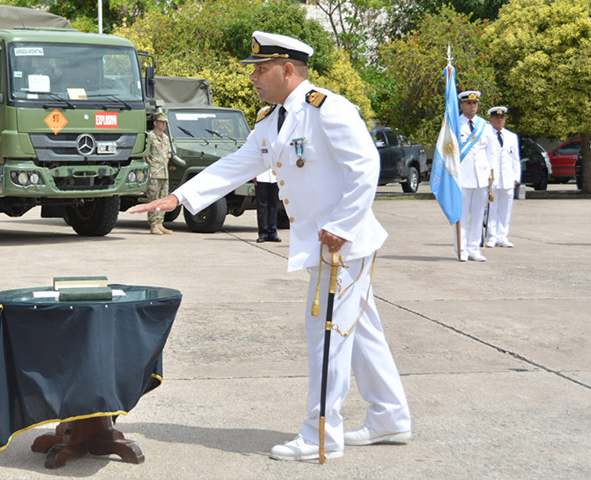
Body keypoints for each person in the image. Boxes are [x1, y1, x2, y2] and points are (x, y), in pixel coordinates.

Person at [129, 31, 411, 461]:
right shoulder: (272, 119)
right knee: (361, 330)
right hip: (326, 244)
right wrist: (179, 198)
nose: (253, 77)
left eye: (261, 69)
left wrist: (343, 226)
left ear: (288, 69)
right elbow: (239, 163)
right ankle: (390, 417)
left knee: (328, 335)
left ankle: (322, 435)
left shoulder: (327, 109)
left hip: (340, 245)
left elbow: (365, 166)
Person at [456, 90, 497, 262]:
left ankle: (474, 248)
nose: (473, 106)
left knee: (478, 214)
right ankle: (461, 248)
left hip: (481, 176)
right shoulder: (454, 124)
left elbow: (491, 153)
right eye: (469, 103)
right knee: (462, 215)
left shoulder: (485, 126)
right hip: (462, 176)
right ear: (462, 105)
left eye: (475, 103)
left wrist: (492, 176)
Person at [484, 106, 520, 248]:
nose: (499, 120)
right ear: (491, 119)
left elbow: (515, 159)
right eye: (496, 118)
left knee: (506, 208)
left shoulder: (511, 136)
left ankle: (503, 236)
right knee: (492, 207)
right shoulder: (486, 135)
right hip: (492, 178)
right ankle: (492, 236)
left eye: (502, 118)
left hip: (508, 177)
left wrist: (516, 176)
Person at [145, 112, 173, 235]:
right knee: (153, 199)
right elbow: (145, 155)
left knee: (162, 199)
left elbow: (168, 155)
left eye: (165, 122)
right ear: (155, 123)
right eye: (161, 122)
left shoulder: (166, 138)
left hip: (164, 174)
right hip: (154, 173)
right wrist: (149, 169)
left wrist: (164, 166)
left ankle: (160, 223)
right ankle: (153, 225)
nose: (164, 124)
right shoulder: (150, 137)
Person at [254, 169, 281, 242]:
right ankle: (263, 233)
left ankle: (273, 232)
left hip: (275, 177)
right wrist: (254, 176)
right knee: (262, 206)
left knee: (274, 206)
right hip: (262, 176)